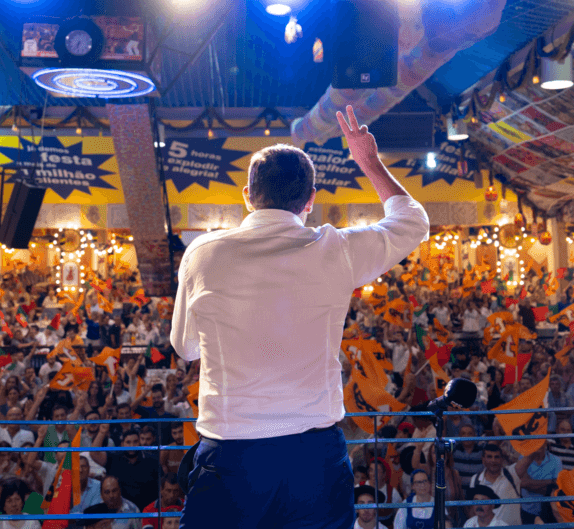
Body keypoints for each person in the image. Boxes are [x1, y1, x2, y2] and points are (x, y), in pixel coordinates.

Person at [170, 107, 430, 529]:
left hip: (232, 452)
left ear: (248, 195)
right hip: (314, 456)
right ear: (310, 199)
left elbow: (185, 348)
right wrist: (369, 162)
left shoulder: (203, 253)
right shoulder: (336, 249)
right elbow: (412, 222)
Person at [466, 444, 522, 526]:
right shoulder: (475, 479)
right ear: (483, 459)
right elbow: (473, 508)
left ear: (502, 459)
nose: (493, 460)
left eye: (497, 457)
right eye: (489, 457)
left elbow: (529, 458)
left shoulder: (512, 473)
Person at [517, 442, 562, 524]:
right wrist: (551, 482)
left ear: (546, 442)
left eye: (541, 440)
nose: (539, 443)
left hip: (550, 512)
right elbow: (523, 483)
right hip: (527, 511)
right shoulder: (522, 458)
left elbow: (556, 488)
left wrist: (531, 484)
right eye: (536, 440)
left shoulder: (556, 460)